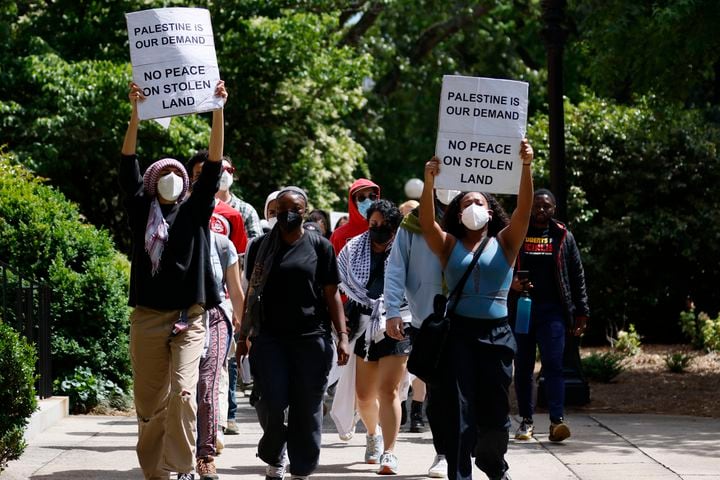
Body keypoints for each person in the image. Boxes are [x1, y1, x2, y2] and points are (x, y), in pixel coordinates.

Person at [120, 80, 227, 480]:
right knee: (151, 405)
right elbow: (127, 160)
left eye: (176, 173)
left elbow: (214, 163)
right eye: (161, 173)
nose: (170, 177)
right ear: (151, 182)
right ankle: (156, 472)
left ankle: (180, 466)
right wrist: (136, 111)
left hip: (189, 317)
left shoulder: (196, 208)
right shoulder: (139, 211)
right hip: (147, 317)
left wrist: (217, 108)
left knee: (183, 393)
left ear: (186, 183)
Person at [418, 139, 534, 480]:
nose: (473, 205)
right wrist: (429, 181)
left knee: (496, 413)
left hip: (497, 335)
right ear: (457, 211)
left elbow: (524, 210)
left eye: (479, 201)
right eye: (466, 201)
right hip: (458, 335)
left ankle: (494, 465)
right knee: (458, 410)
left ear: (490, 209)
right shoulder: (448, 244)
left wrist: (526, 166)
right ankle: (459, 473)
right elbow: (426, 223)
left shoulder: (506, 242)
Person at [237, 187, 351, 480]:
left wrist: (342, 335)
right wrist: (242, 337)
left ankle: (301, 468)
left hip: (311, 338)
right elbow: (252, 293)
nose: (288, 213)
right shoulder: (261, 246)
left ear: (305, 210)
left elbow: (332, 294)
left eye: (295, 208)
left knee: (307, 406)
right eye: (281, 207)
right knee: (272, 402)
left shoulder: (320, 246)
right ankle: (274, 453)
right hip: (270, 339)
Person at [385, 188, 460, 478]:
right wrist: (393, 310)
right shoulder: (412, 224)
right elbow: (396, 268)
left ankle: (462, 446)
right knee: (438, 392)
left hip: (468, 319)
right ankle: (443, 452)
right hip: (425, 322)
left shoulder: (473, 217)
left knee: (463, 390)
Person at [510, 188, 589, 443]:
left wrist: (582, 311)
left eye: (546, 206)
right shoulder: (517, 232)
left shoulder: (563, 236)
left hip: (552, 311)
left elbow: (576, 275)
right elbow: (501, 265)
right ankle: (526, 420)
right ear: (530, 208)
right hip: (522, 309)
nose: (541, 210)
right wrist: (512, 283)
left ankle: (557, 421)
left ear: (554, 209)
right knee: (523, 367)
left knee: (554, 365)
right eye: (537, 206)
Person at [337, 199, 407, 474]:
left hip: (398, 318)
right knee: (364, 397)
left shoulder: (404, 248)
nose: (377, 229)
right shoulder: (353, 248)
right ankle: (372, 434)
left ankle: (389, 452)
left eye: (384, 225)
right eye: (373, 224)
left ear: (394, 226)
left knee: (388, 389)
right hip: (365, 322)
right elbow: (339, 277)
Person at [195, 230, 245, 478]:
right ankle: (179, 453)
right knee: (180, 392)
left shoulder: (223, 245)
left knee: (208, 385)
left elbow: (235, 293)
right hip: (176, 319)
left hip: (214, 319)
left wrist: (246, 335)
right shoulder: (170, 236)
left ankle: (205, 455)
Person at [330, 179, 380, 255]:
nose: (367, 201)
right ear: (353, 202)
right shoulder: (339, 236)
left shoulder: (385, 231)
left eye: (372, 196)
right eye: (361, 198)